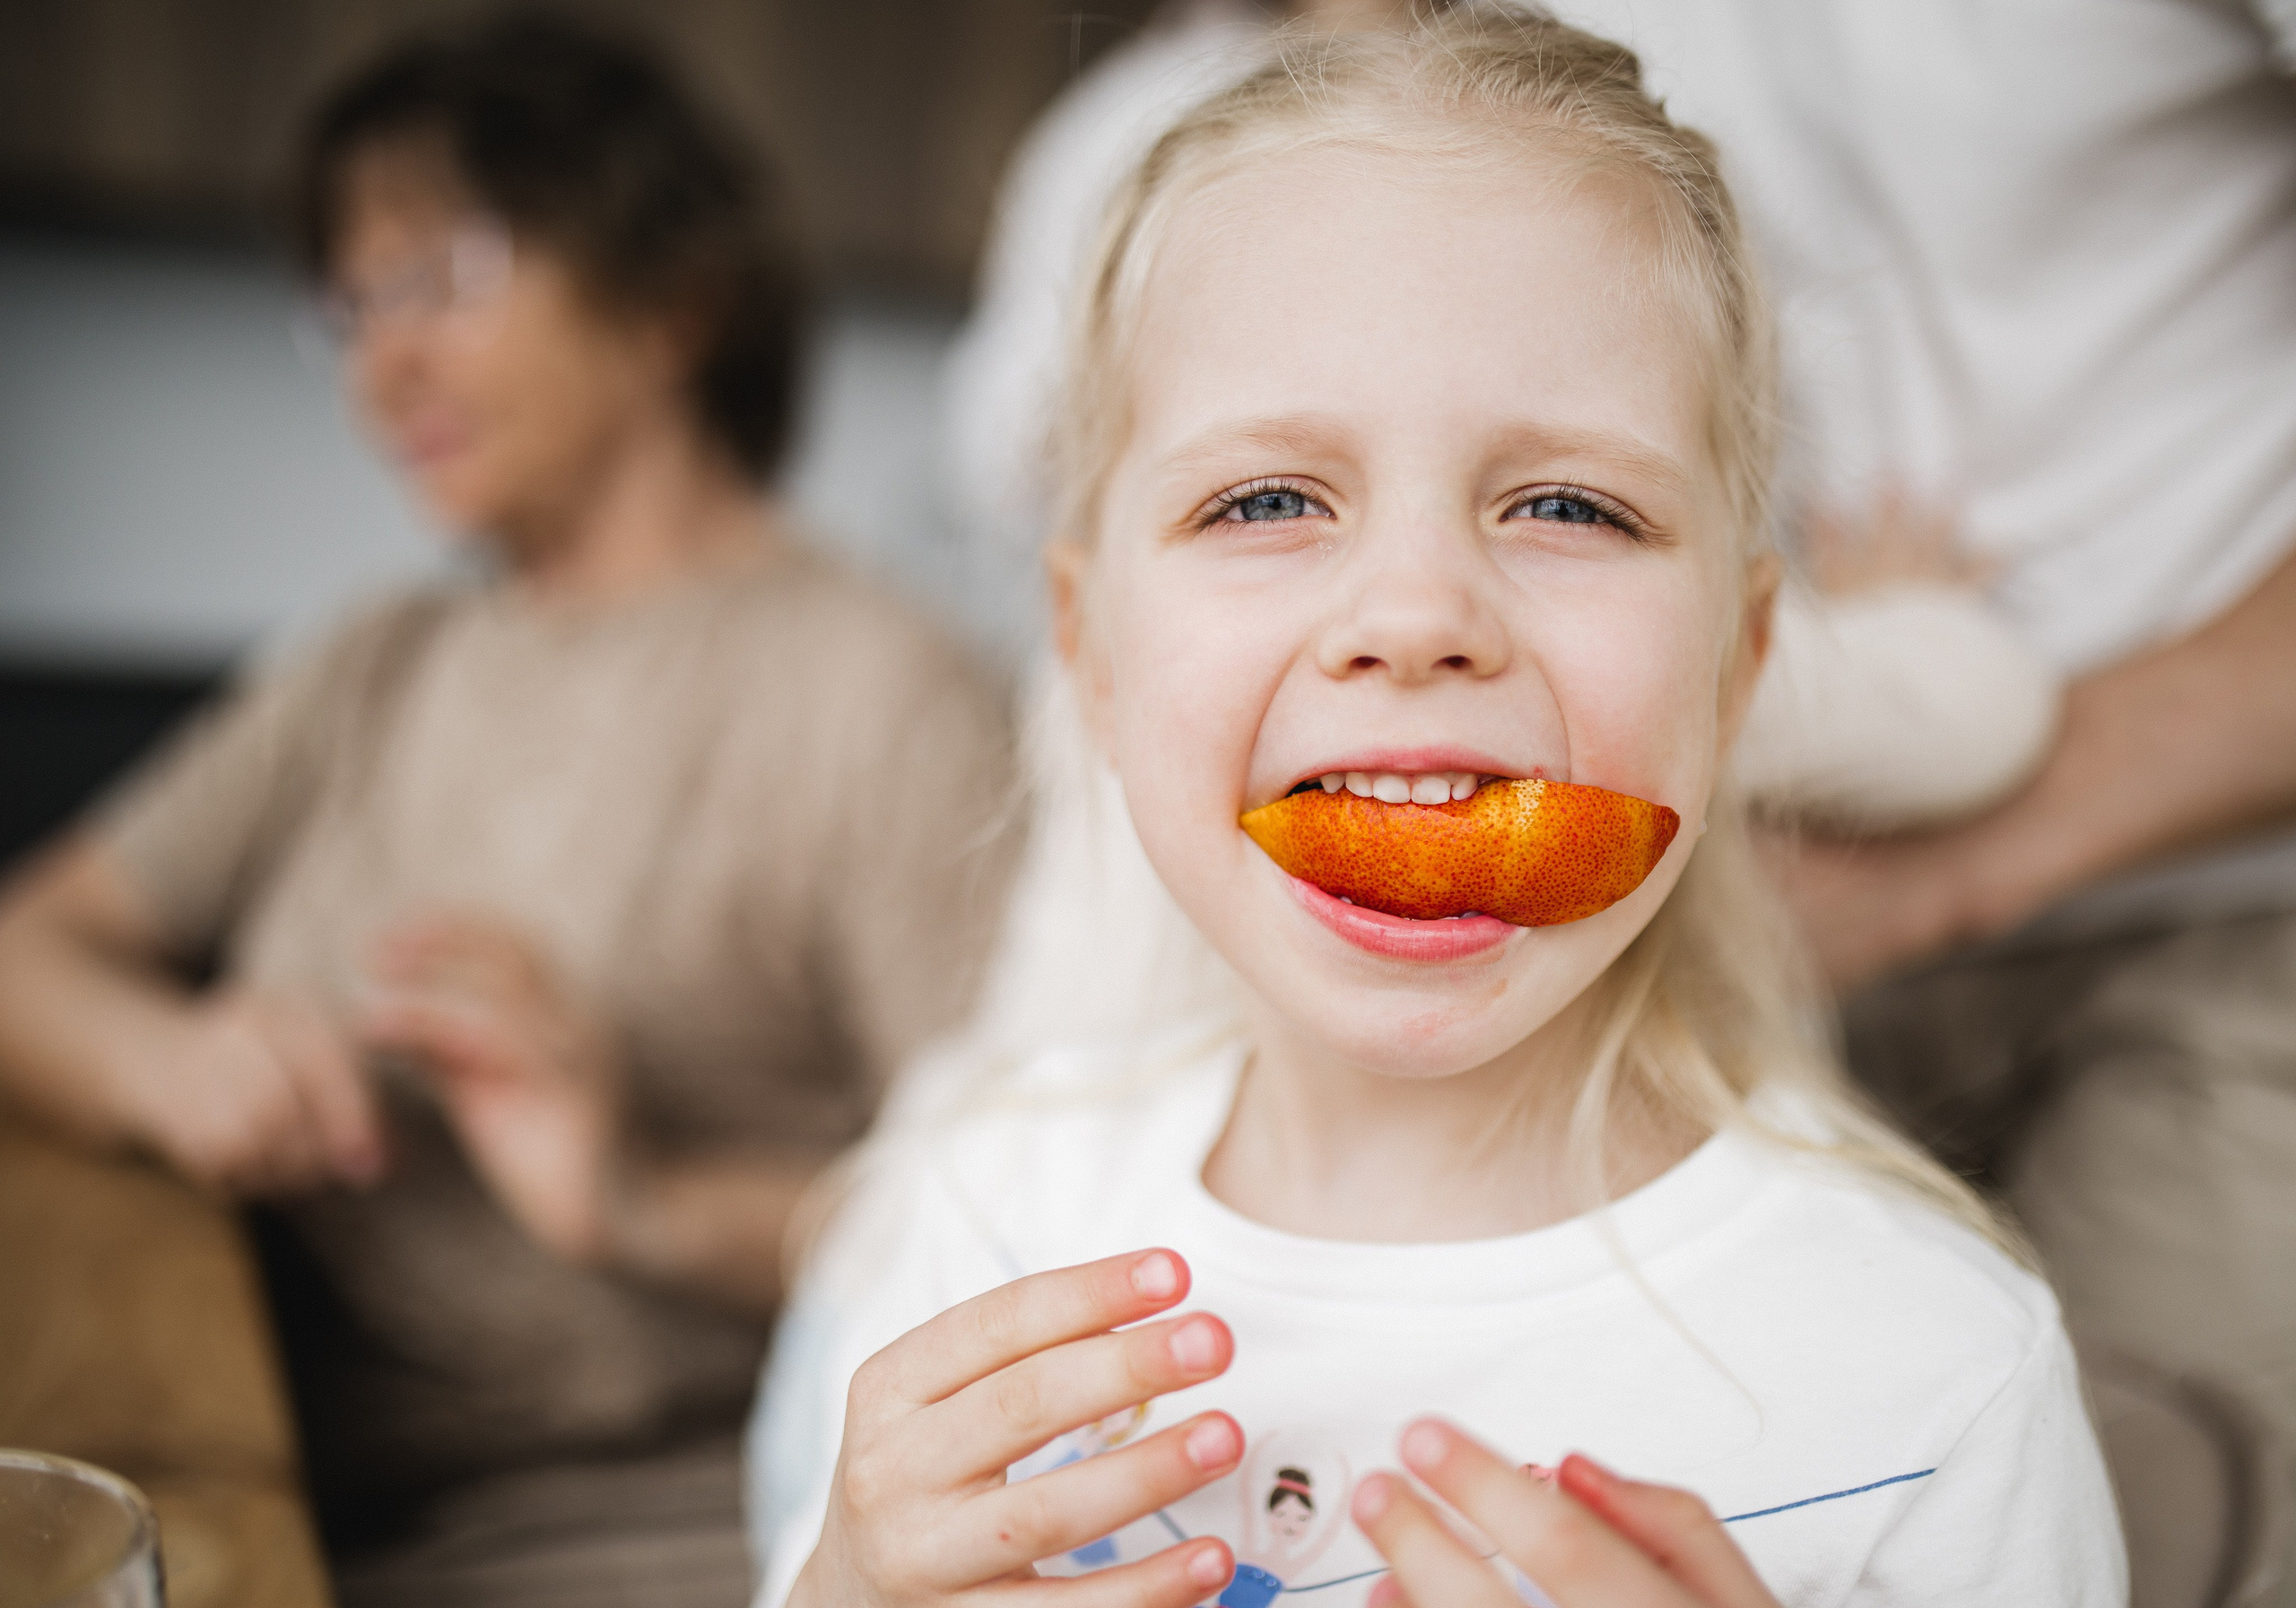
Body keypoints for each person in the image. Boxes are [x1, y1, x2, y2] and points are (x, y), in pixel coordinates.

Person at [750, 14, 2121, 1606]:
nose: (1415, 615)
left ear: (1739, 668)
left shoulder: (1936, 1383)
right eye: (1268, 499)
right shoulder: (980, 1226)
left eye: (1569, 505)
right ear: (1092, 656)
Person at [0, 15, 1013, 1606]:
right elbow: (24, 947)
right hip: (265, 1472)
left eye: (442, 277)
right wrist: (169, 1059)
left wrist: (647, 1199)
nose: (380, 361)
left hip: (653, 1534)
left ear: (676, 297)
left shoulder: (885, 695)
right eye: (351, 304)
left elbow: (1018, 1231)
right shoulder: (376, 659)